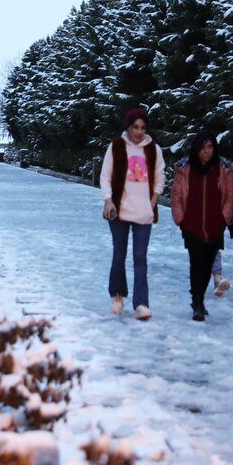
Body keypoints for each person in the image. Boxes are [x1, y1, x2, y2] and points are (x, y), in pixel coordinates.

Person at [99, 108, 164, 321]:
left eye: (143, 128)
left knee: (140, 258)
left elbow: (160, 177)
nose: (139, 131)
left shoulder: (154, 149)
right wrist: (108, 199)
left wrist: (152, 200)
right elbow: (105, 176)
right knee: (119, 253)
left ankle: (141, 303)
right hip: (119, 210)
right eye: (136, 127)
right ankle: (117, 295)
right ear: (128, 126)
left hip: (143, 212)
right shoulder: (117, 146)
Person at [170, 131, 233, 321]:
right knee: (197, 263)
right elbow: (176, 195)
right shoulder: (186, 168)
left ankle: (199, 298)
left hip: (215, 225)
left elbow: (230, 195)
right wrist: (180, 218)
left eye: (210, 147)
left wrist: (225, 218)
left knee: (207, 265)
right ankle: (197, 301)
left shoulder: (223, 169)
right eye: (203, 147)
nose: (207, 151)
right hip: (191, 224)